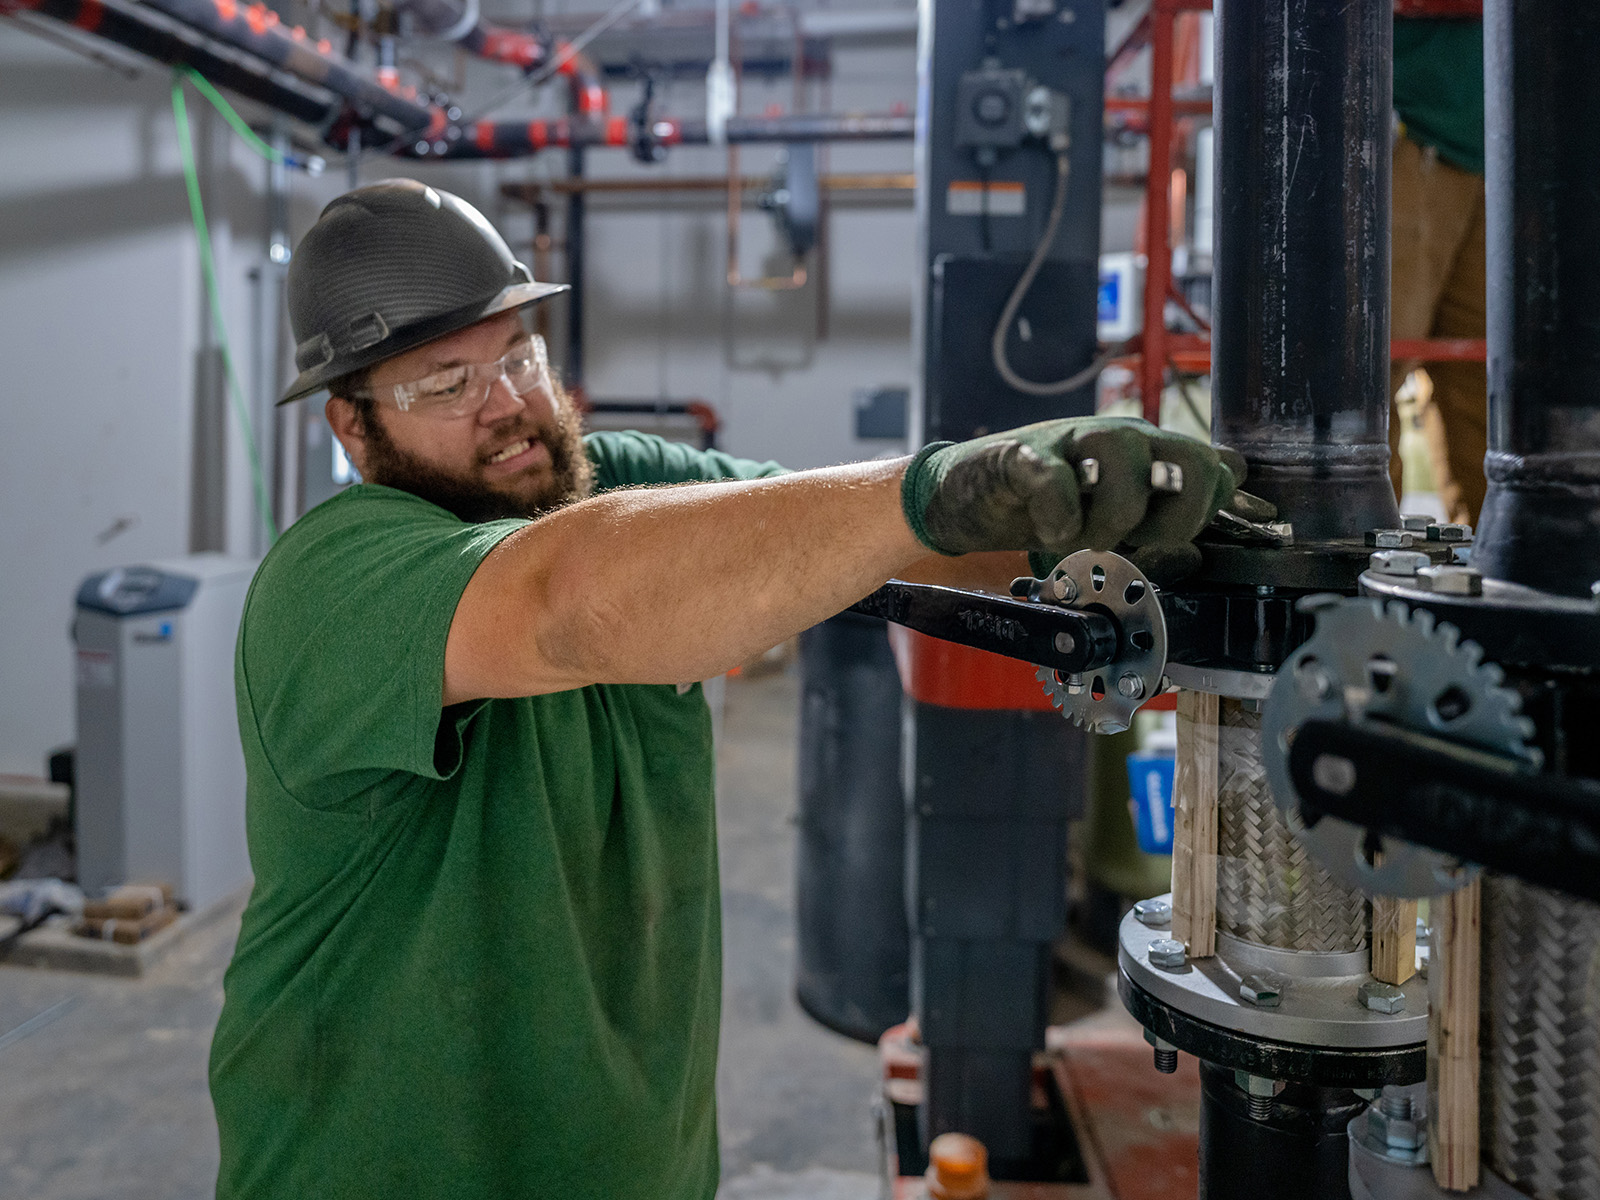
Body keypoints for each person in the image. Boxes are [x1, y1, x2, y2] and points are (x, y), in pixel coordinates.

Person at [207, 179, 1246, 1200]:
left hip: (639, 1164)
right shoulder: (334, 582)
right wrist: (931, 491)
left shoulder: (610, 482)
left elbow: (846, 544)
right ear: (354, 428)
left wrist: (1087, 517)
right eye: (445, 383)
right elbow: (564, 602)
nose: (512, 406)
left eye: (517, 352)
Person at [1390, 12, 1486, 526]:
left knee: (1490, 382)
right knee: (1368, 375)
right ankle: (1351, 568)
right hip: (1414, 130)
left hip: (1503, 152)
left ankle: (1498, 568)